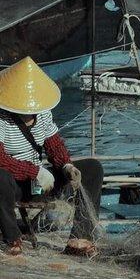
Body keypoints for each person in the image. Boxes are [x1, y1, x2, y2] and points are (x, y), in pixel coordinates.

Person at [0, 56, 104, 256]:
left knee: (93, 168)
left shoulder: (44, 113)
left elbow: (54, 145)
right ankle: (12, 237)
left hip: (40, 183)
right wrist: (34, 171)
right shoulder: (2, 117)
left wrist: (66, 166)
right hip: (14, 185)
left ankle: (79, 238)